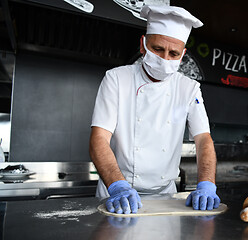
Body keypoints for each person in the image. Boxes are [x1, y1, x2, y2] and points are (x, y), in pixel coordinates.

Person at [89, 5, 220, 215]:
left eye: (174, 53)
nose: (164, 59)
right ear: (143, 45)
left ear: (182, 54)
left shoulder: (189, 88)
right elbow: (99, 138)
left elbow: (203, 139)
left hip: (165, 196)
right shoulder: (116, 79)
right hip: (117, 195)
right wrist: (117, 186)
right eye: (158, 49)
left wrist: (207, 183)